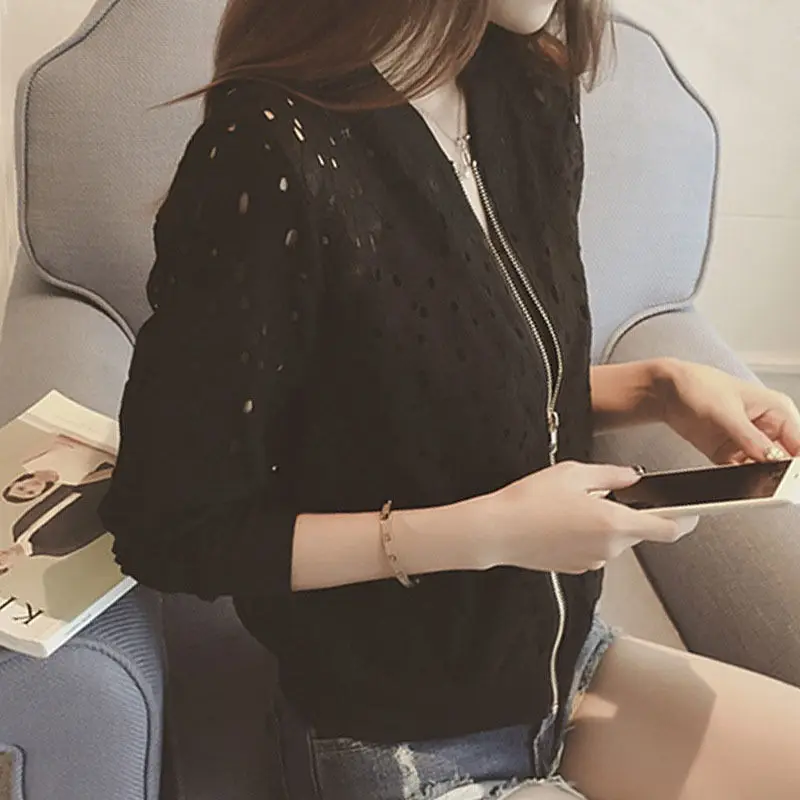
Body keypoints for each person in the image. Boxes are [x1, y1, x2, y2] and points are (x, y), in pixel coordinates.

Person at [100, 1, 800, 797]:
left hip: (567, 668)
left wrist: (657, 387)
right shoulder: (267, 148)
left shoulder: (525, 92)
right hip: (397, 728)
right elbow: (171, 530)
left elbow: (446, 392)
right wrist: (491, 533)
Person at [1, 462, 115, 576]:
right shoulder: (56, 549)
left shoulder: (18, 527)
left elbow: (50, 499)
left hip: (94, 474)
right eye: (1, 563)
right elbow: (99, 526)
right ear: (9, 567)